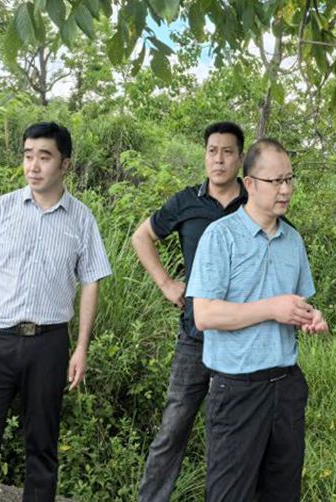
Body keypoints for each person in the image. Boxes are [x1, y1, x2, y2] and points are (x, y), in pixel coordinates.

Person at [0, 121, 112, 501]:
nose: (34, 166)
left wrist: (81, 348)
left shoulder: (81, 219)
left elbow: (91, 283)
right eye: (28, 156)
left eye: (44, 157)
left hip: (48, 344)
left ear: (65, 164)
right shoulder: (2, 209)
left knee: (42, 445)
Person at [187, 138, 328, 502]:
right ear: (249, 183)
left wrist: (310, 316)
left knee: (282, 492)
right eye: (275, 181)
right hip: (237, 390)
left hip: (286, 387)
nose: (286, 189)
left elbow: (296, 303)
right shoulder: (220, 236)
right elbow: (205, 314)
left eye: (289, 179)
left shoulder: (293, 241)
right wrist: (271, 309)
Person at [131, 121, 247, 501]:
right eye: (213, 151)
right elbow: (141, 236)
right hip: (194, 335)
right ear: (205, 155)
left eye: (227, 152)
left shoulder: (254, 202)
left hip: (240, 340)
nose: (219, 159)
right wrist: (166, 283)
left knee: (226, 436)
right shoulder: (186, 201)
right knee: (172, 429)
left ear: (240, 158)